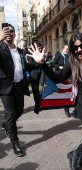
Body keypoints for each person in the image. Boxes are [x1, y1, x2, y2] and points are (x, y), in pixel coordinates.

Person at [28, 33, 82, 170]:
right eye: (75, 47)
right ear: (71, 49)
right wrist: (42, 64)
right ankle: (75, 154)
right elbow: (58, 79)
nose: (79, 50)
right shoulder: (72, 63)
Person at [0, 24, 37, 157]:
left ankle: (6, 124)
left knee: (20, 110)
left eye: (11, 31)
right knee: (10, 115)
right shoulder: (1, 48)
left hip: (19, 86)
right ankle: (15, 142)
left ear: (15, 34)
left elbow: (26, 66)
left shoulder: (21, 51)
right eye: (6, 31)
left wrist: (39, 62)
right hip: (5, 88)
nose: (9, 33)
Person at [52, 45, 72, 117]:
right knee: (65, 92)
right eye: (66, 49)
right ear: (62, 49)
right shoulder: (58, 56)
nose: (67, 50)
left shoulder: (70, 56)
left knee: (71, 92)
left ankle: (76, 111)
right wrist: (59, 67)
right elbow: (53, 64)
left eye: (68, 49)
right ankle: (66, 109)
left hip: (70, 76)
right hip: (60, 75)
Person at [27, 42, 42, 114]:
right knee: (36, 92)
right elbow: (30, 65)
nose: (40, 49)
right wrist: (38, 63)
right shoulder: (30, 56)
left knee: (41, 91)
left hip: (41, 76)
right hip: (34, 77)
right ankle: (37, 107)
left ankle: (41, 105)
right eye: (39, 48)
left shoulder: (42, 54)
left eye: (41, 48)